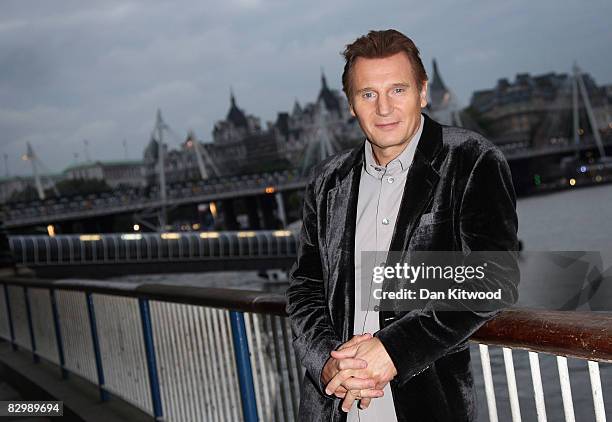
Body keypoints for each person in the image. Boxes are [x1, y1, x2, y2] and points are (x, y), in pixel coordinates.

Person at [286, 29, 519, 422]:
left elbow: (494, 278)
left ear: (422, 92)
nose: (383, 109)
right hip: (334, 406)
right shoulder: (327, 182)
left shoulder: (471, 161)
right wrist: (326, 362)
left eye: (397, 90)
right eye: (368, 94)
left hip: (426, 403)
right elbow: (305, 288)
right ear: (350, 105)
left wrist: (394, 349)